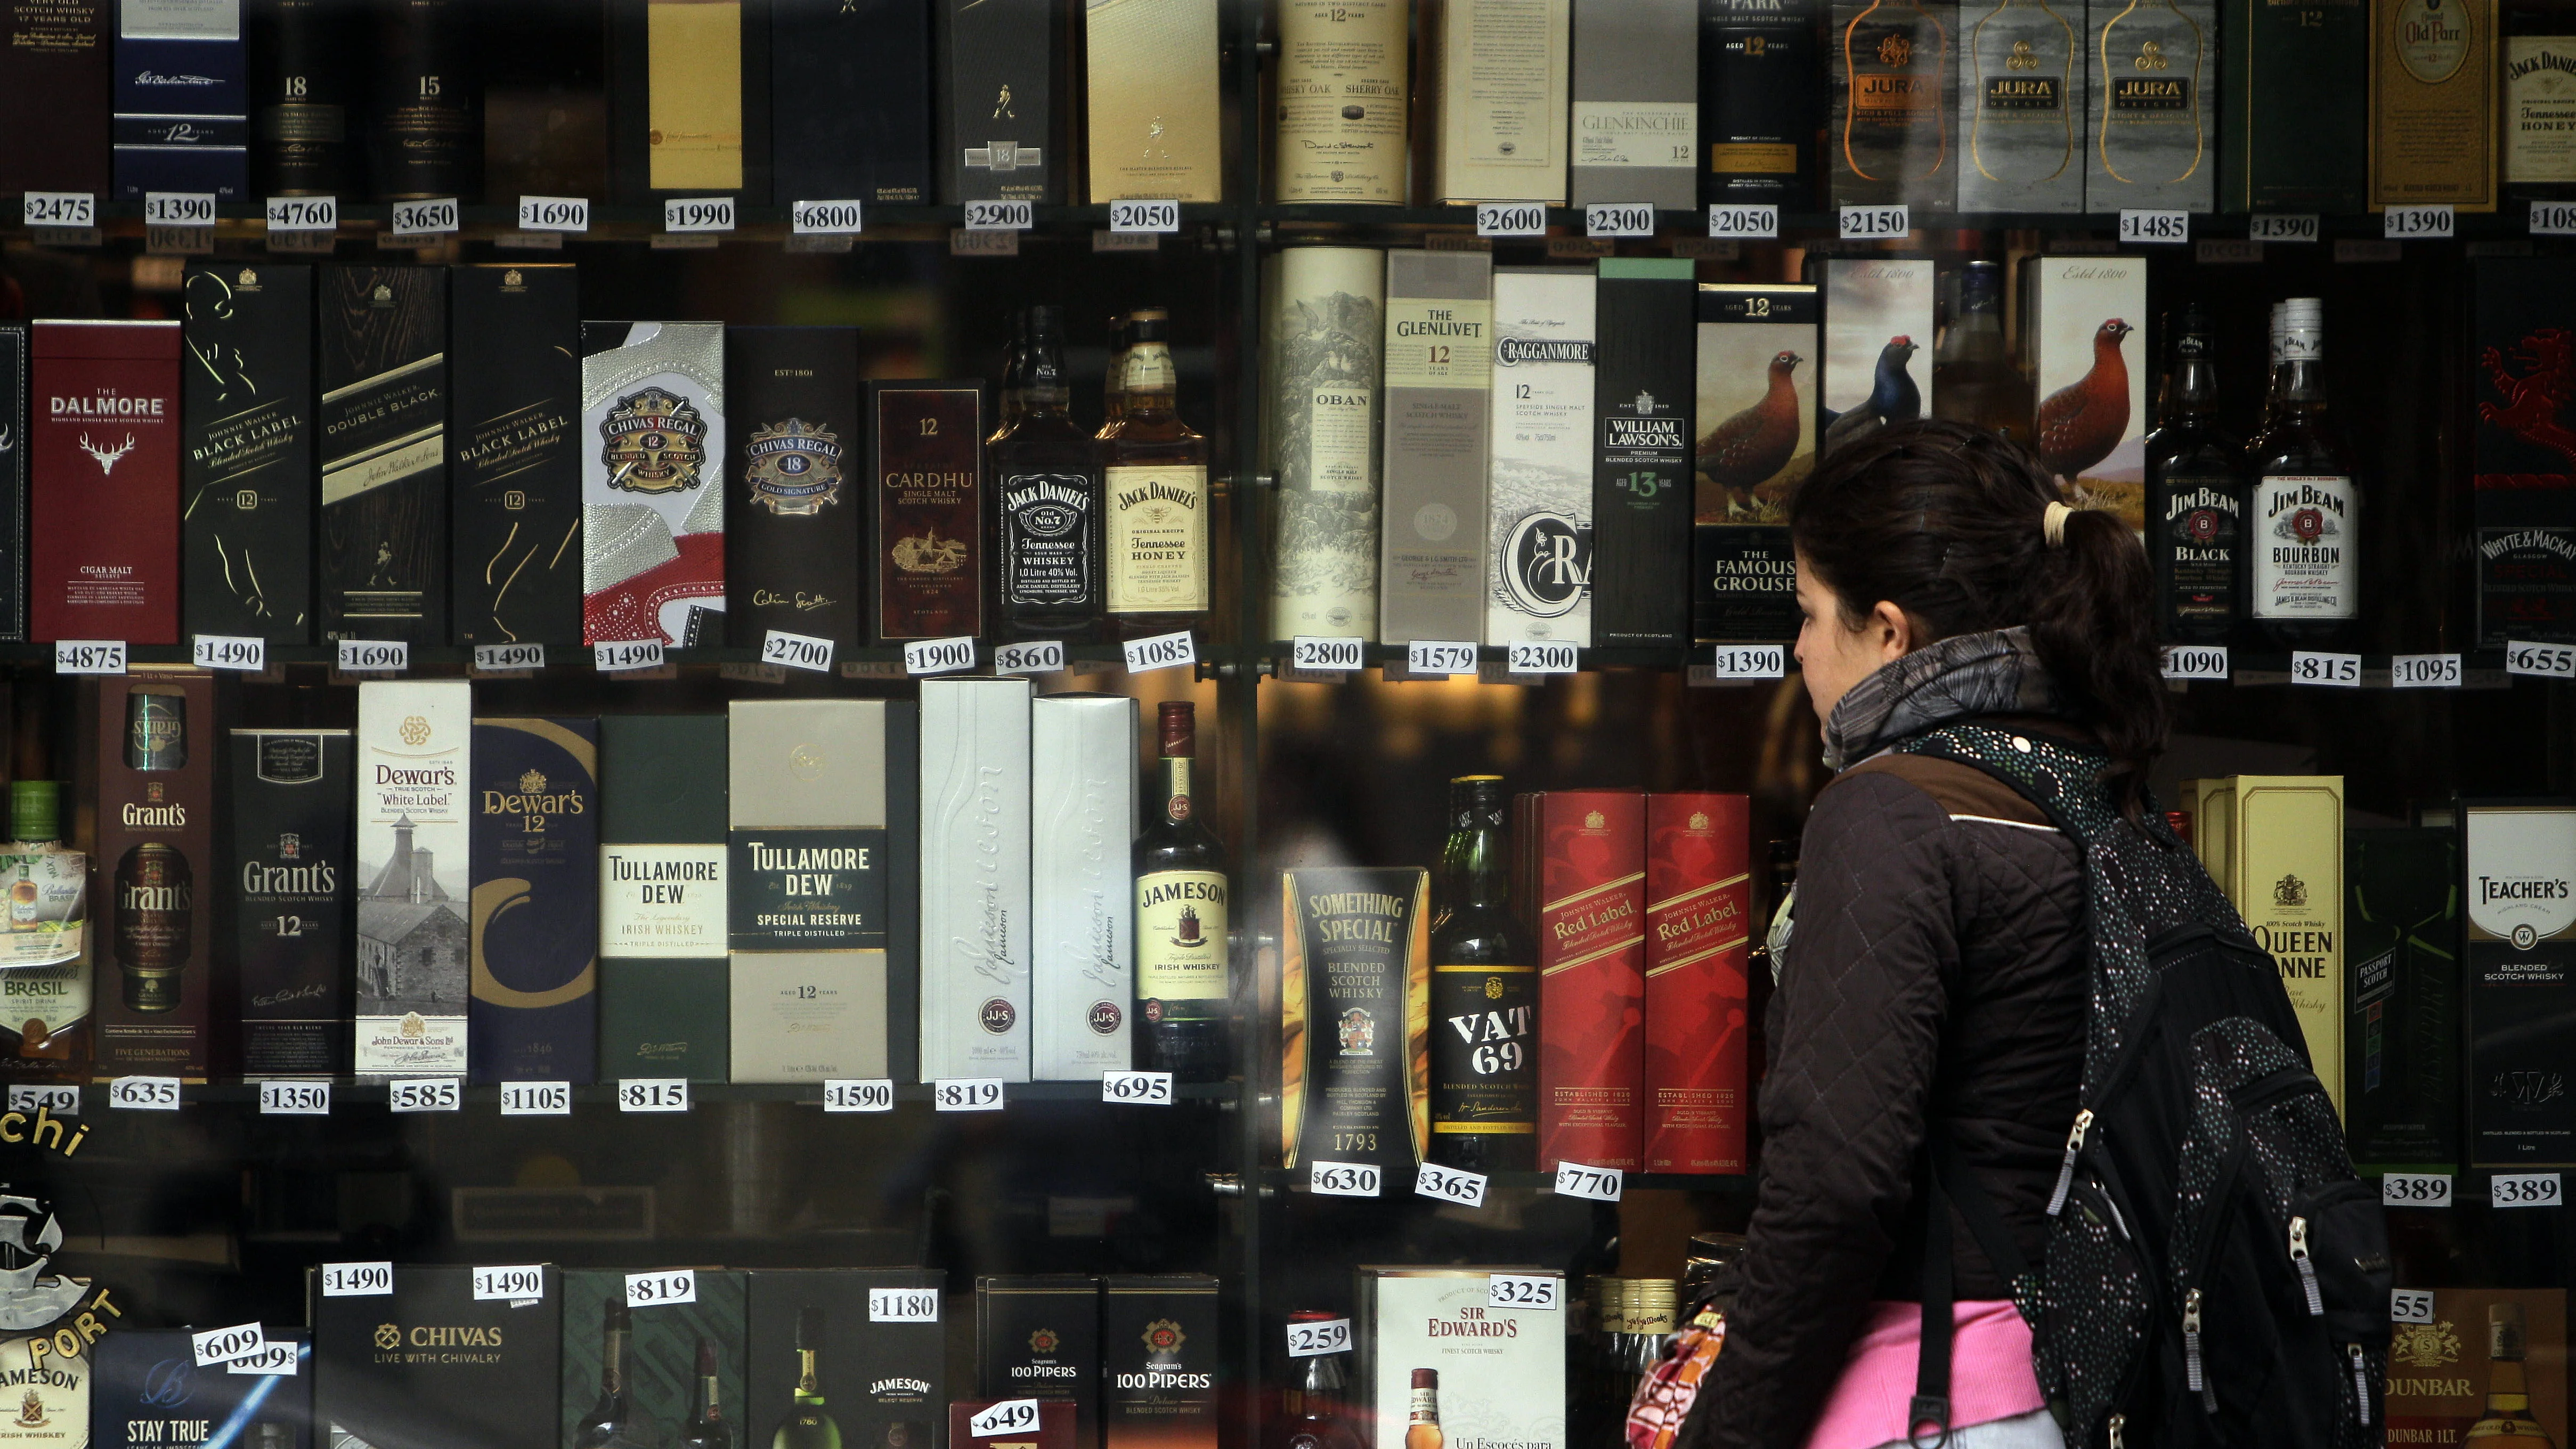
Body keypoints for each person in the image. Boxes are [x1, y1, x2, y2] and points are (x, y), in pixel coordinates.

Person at [1678, 419, 2171, 1449]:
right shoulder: (2092, 793)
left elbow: (1832, 1190)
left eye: (1809, 615)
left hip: (1932, 1402)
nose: (1798, 649)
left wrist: (1724, 1433)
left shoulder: (1889, 812)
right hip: (2073, 1386)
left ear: (1890, 634)